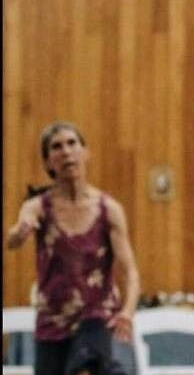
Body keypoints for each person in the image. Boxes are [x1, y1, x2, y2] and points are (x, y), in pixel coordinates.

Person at [6, 121, 141, 375]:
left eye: (72, 143)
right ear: (48, 162)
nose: (66, 152)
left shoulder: (108, 210)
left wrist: (128, 311)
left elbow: (130, 272)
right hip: (52, 322)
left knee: (85, 364)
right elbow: (13, 240)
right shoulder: (38, 207)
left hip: (96, 317)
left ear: (85, 152)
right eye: (57, 147)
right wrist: (20, 232)